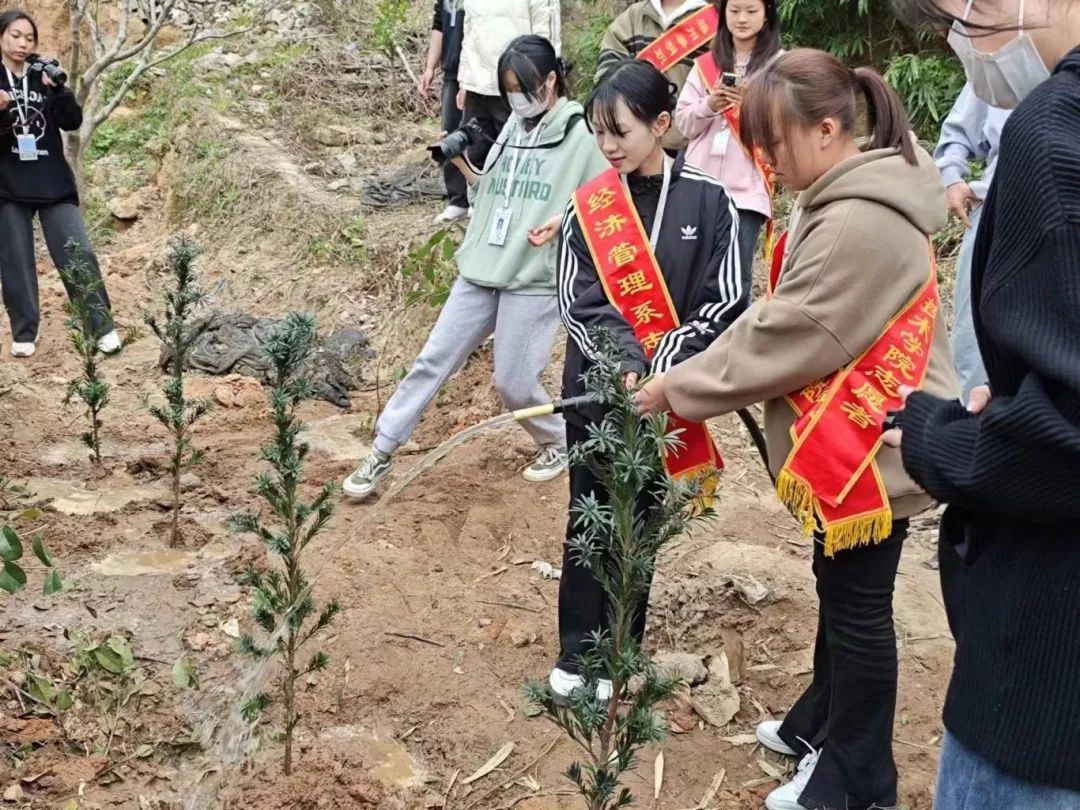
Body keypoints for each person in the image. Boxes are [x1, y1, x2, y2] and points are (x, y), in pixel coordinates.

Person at [634, 49, 958, 810]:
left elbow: (788, 332)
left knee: (858, 606)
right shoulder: (842, 193)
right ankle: (823, 722)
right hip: (860, 438)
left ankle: (859, 776)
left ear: (825, 130)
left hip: (875, 449)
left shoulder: (858, 218)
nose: (767, 161)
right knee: (838, 586)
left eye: (772, 144)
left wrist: (678, 387)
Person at [884, 0, 1080, 807]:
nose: (960, 35)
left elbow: (1063, 439)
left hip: (1045, 676)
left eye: (968, 11)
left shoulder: (1054, 136)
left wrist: (938, 437)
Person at [551, 58, 745, 701]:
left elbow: (725, 301)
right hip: (598, 391)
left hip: (665, 398)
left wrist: (662, 364)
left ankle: (619, 652)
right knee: (589, 518)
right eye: (598, 134)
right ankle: (578, 651)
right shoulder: (588, 208)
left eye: (621, 132)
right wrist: (624, 359)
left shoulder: (710, 201)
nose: (608, 146)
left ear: (662, 124)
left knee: (638, 521)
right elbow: (578, 299)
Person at [343, 36, 609, 500]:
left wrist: (562, 220)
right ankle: (382, 449)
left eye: (523, 88)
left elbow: (606, 199)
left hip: (533, 276)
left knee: (514, 383)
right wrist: (461, 164)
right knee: (433, 360)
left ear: (551, 80)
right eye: (509, 90)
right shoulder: (513, 128)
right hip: (482, 265)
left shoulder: (581, 136)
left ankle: (558, 441)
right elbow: (492, 190)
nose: (516, 98)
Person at [0, 9, 120, 359]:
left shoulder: (43, 74)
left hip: (51, 180)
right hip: (7, 184)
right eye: (15, 35)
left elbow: (71, 120)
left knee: (77, 250)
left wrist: (60, 90)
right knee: (15, 260)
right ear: (1, 36)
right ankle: (24, 331)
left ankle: (101, 327)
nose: (23, 43)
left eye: (29, 38)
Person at [676, 0, 782, 291]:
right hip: (697, 186)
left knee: (734, 277)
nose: (742, 19)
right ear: (723, 13)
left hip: (746, 192)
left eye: (751, 11)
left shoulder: (780, 66)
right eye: (734, 10)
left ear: (767, 14)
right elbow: (683, 123)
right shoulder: (705, 64)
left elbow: (788, 126)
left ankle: (735, 323)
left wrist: (751, 107)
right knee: (689, 273)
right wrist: (709, 104)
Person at [934, 83, 1009, 406]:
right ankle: (972, 426)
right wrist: (951, 177)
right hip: (995, 209)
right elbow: (957, 133)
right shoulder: (1003, 63)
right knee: (973, 338)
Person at [455, 0, 561, 174]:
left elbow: (546, 28)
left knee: (518, 156)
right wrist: (464, 81)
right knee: (475, 155)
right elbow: (469, 33)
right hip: (477, 86)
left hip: (517, 88)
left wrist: (547, 80)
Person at [596, 0, 719, 149]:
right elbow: (606, 81)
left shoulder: (714, 20)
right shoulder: (632, 19)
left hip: (692, 145)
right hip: (634, 146)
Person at [421, 1, 470, 224]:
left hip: (479, 75)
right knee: (449, 134)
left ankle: (479, 198)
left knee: (477, 135)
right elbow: (438, 26)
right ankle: (458, 200)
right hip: (452, 71)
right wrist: (430, 68)